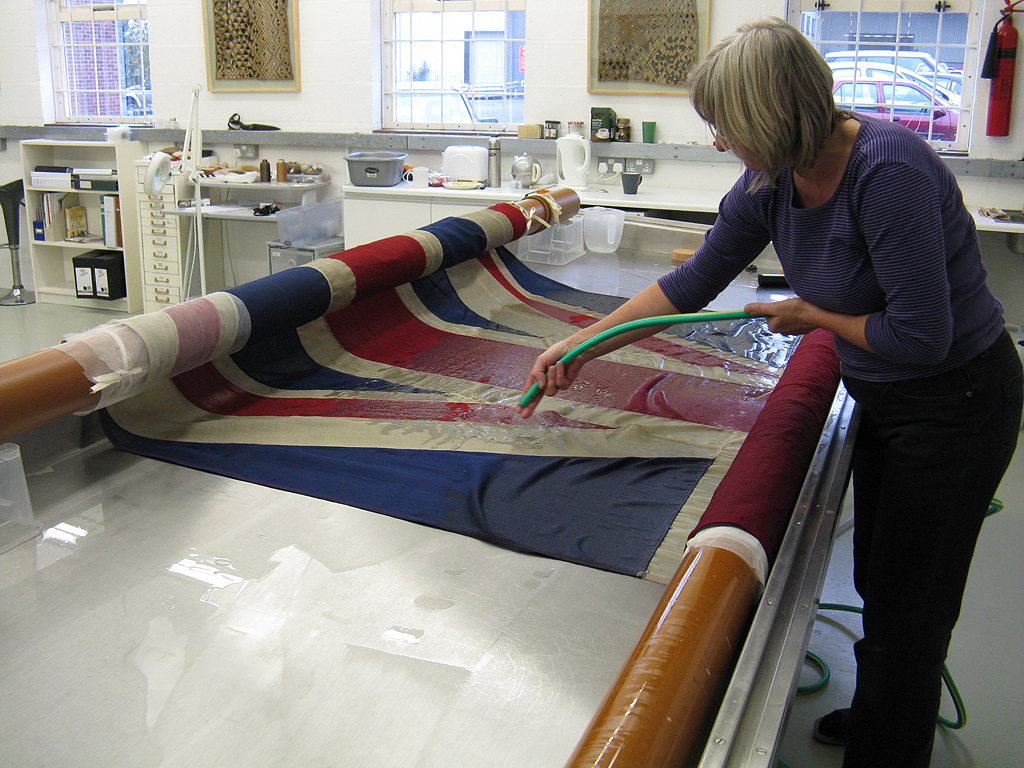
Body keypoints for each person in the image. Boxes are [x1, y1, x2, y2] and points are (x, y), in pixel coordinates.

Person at [517, 17, 1023, 768]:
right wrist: (586, 344)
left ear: (770, 117)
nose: (720, 143)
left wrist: (811, 315)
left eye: (726, 125)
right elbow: (691, 282)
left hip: (956, 402)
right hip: (886, 393)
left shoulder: (889, 175)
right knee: (880, 575)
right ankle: (887, 709)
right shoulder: (771, 178)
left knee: (910, 607)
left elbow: (924, 338)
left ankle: (890, 745)